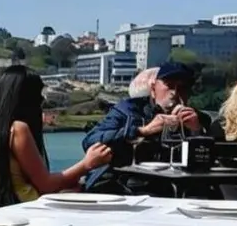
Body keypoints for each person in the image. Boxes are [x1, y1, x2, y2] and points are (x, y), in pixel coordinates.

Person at [0, 65, 111, 209]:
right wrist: (87, 164)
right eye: (37, 95)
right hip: (26, 210)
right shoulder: (17, 130)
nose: (42, 100)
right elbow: (46, 185)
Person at [81, 62, 212, 191]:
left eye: (182, 88)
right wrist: (142, 131)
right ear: (153, 89)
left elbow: (211, 160)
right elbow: (90, 141)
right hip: (122, 182)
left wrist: (197, 132)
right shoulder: (128, 109)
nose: (174, 92)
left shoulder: (198, 118)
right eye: (169, 85)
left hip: (173, 186)